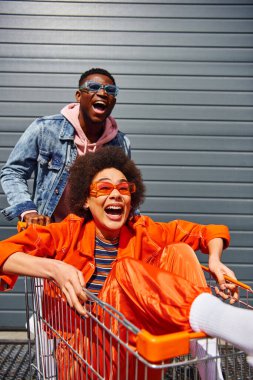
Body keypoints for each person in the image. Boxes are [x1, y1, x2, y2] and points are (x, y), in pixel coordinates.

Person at [0, 146, 252, 380]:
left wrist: (216, 260)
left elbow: (207, 233)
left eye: (123, 189)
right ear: (86, 200)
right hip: (86, 357)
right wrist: (55, 268)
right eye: (103, 189)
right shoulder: (66, 233)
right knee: (126, 268)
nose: (115, 195)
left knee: (180, 251)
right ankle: (226, 323)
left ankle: (210, 361)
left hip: (139, 353)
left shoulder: (141, 230)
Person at [0, 68, 130, 227]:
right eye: (93, 87)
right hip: (49, 229)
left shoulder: (120, 143)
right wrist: (28, 211)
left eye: (110, 90)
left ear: (113, 101)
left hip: (94, 234)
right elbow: (13, 172)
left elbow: (125, 190)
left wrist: (134, 220)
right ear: (78, 96)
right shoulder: (45, 129)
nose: (102, 93)